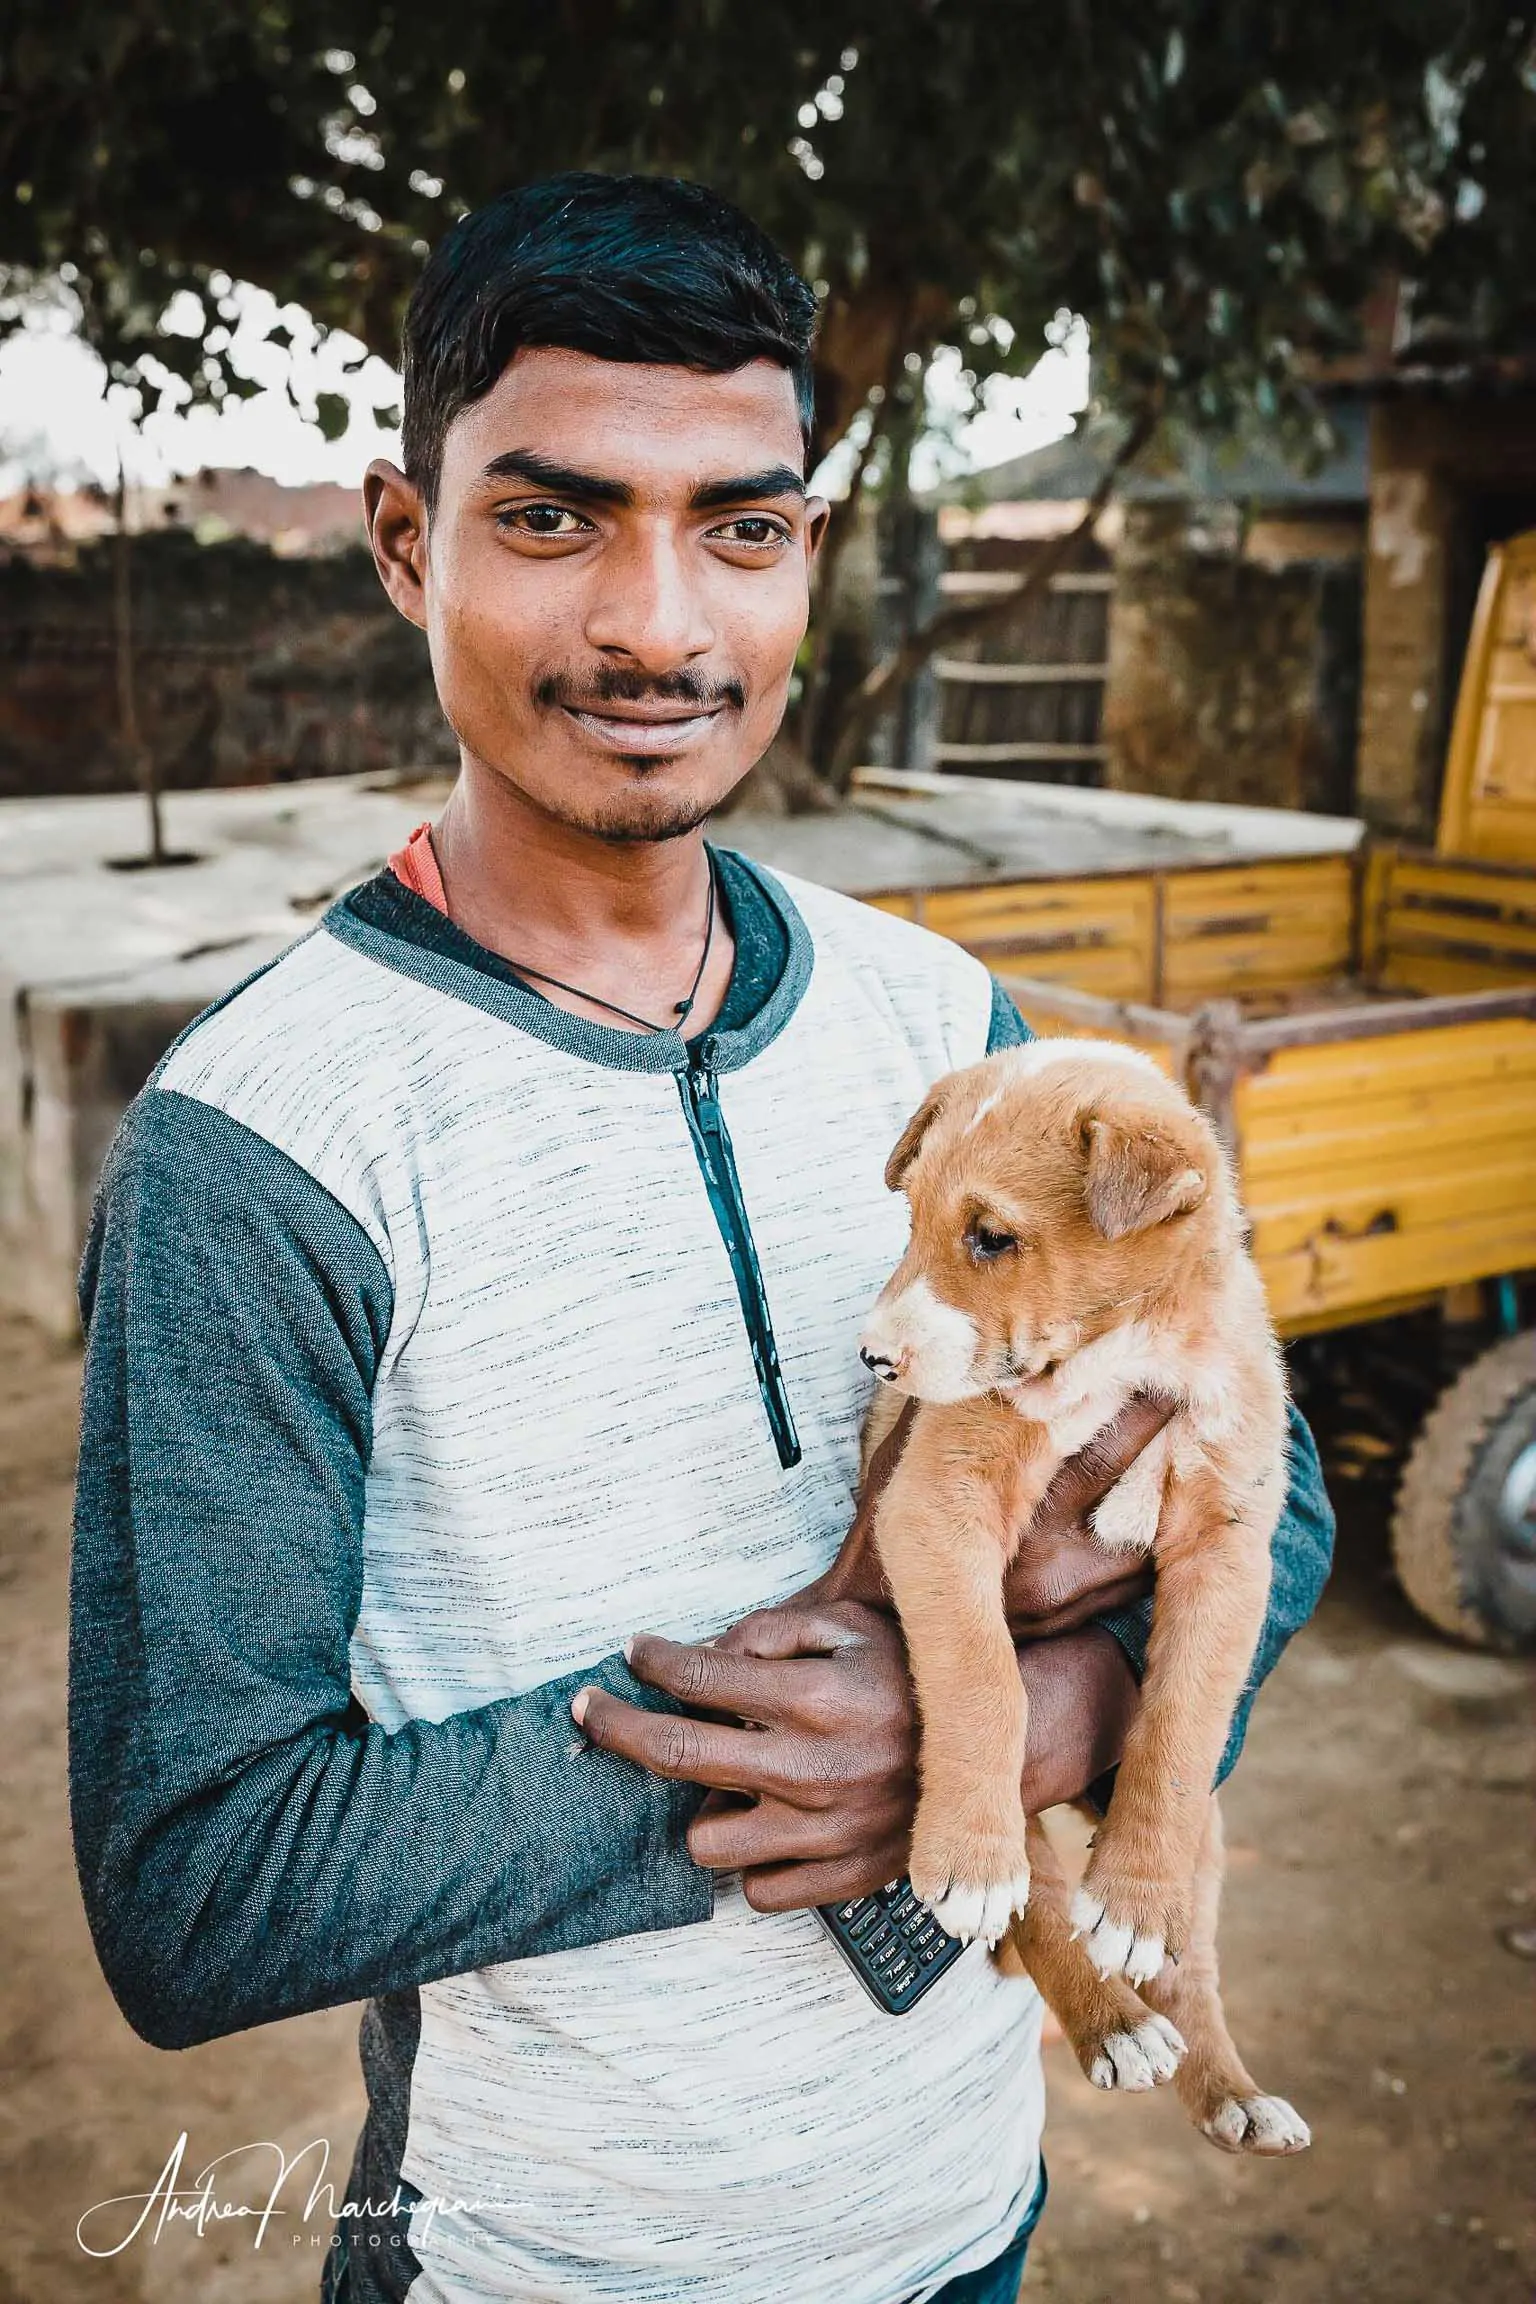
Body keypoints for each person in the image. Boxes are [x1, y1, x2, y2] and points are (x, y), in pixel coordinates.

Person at [68, 173, 1334, 2304]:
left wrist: (1037, 1716)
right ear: (407, 541)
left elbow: (1255, 1475)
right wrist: (799, 1765)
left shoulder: (949, 1030)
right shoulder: (264, 1147)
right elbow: (201, 1885)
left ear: (807, 556)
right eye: (553, 519)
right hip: (538, 2266)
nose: (661, 628)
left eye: (739, 528)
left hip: (962, 2221)